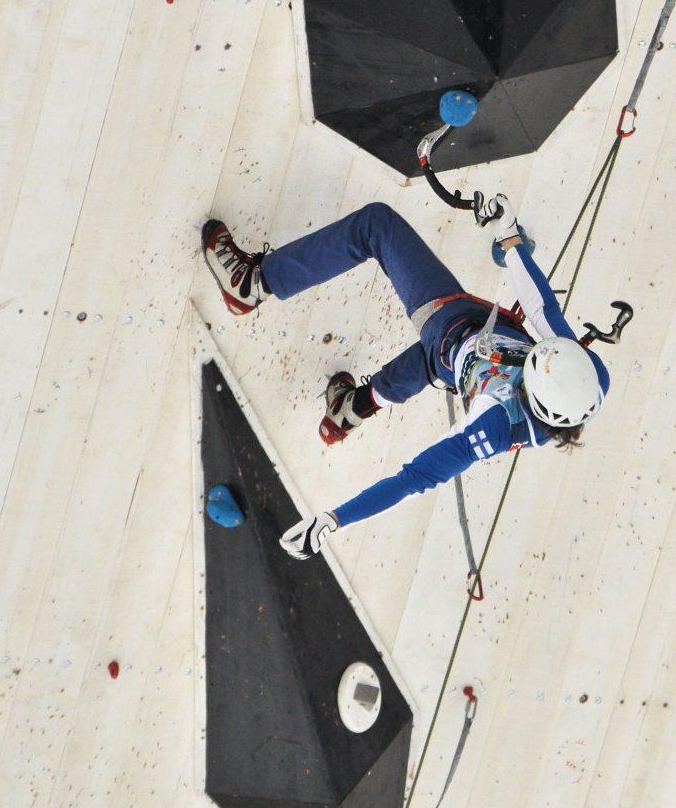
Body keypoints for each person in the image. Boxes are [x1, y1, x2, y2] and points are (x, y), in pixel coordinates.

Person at [200, 203, 609, 555]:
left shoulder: (493, 423)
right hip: (471, 349)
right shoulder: (589, 378)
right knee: (434, 364)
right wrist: (510, 239)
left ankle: (252, 283)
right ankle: (353, 407)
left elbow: (412, 479)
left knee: (376, 226)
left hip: (448, 328)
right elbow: (544, 313)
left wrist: (333, 520)